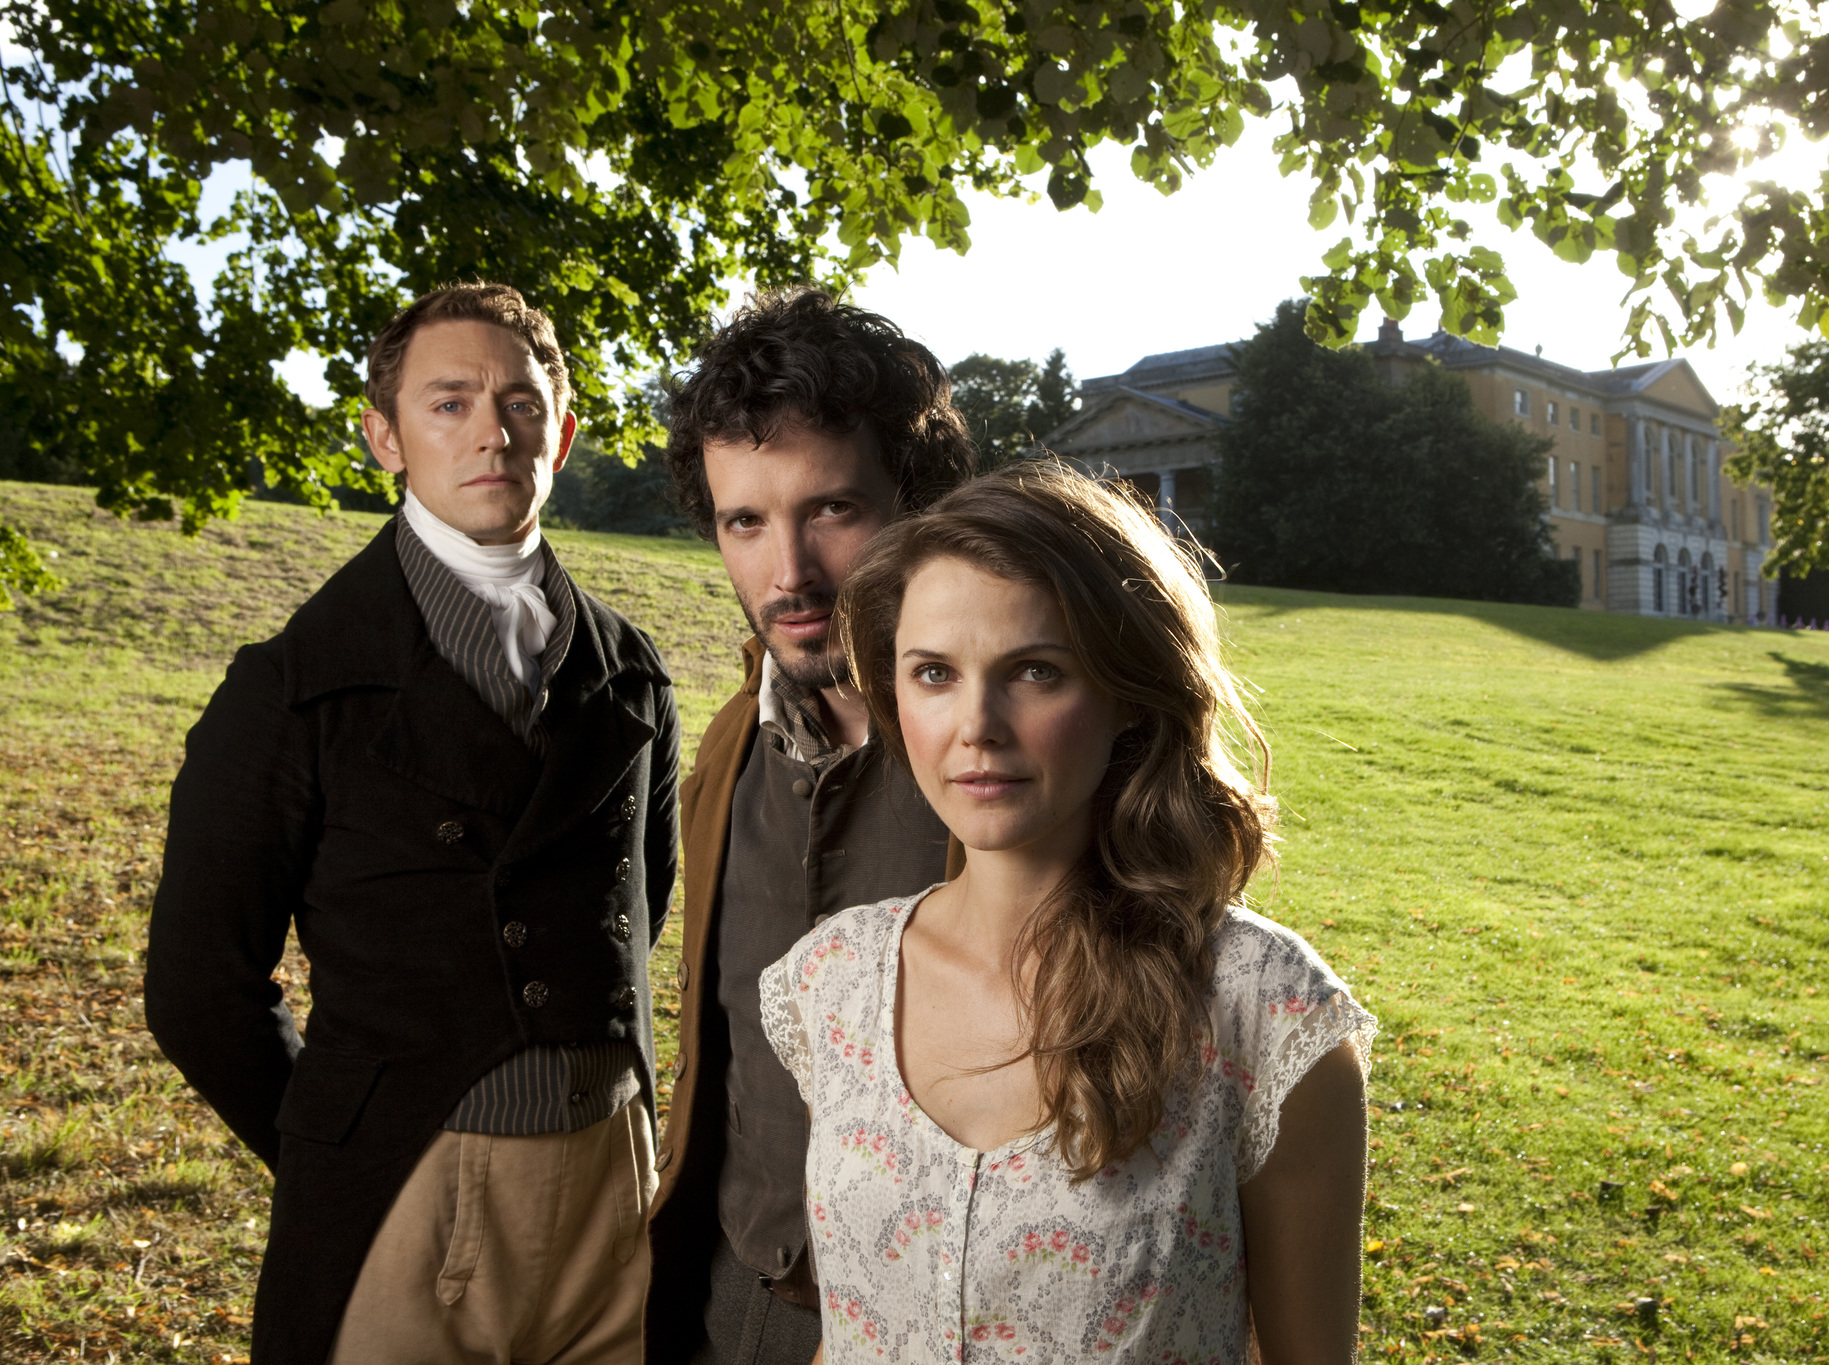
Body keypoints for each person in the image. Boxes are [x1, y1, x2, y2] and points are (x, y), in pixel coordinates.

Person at [146, 282, 682, 1365]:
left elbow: (640, 900)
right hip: (403, 1190)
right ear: (383, 436)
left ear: (562, 434)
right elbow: (200, 992)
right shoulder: (290, 689)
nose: (491, 431)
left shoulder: (631, 667)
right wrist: (346, 1143)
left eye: (522, 403)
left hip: (613, 1176)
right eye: (449, 403)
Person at [760, 461, 1375, 1361]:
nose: (977, 725)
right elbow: (852, 1328)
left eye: (1036, 671)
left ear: (1128, 692)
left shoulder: (1265, 1011)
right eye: (934, 672)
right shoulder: (831, 980)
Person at [645, 288, 978, 1362]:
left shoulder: (1020, 755)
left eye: (830, 509)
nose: (787, 574)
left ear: (916, 504)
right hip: (730, 1304)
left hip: (950, 1320)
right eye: (746, 522)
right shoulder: (726, 747)